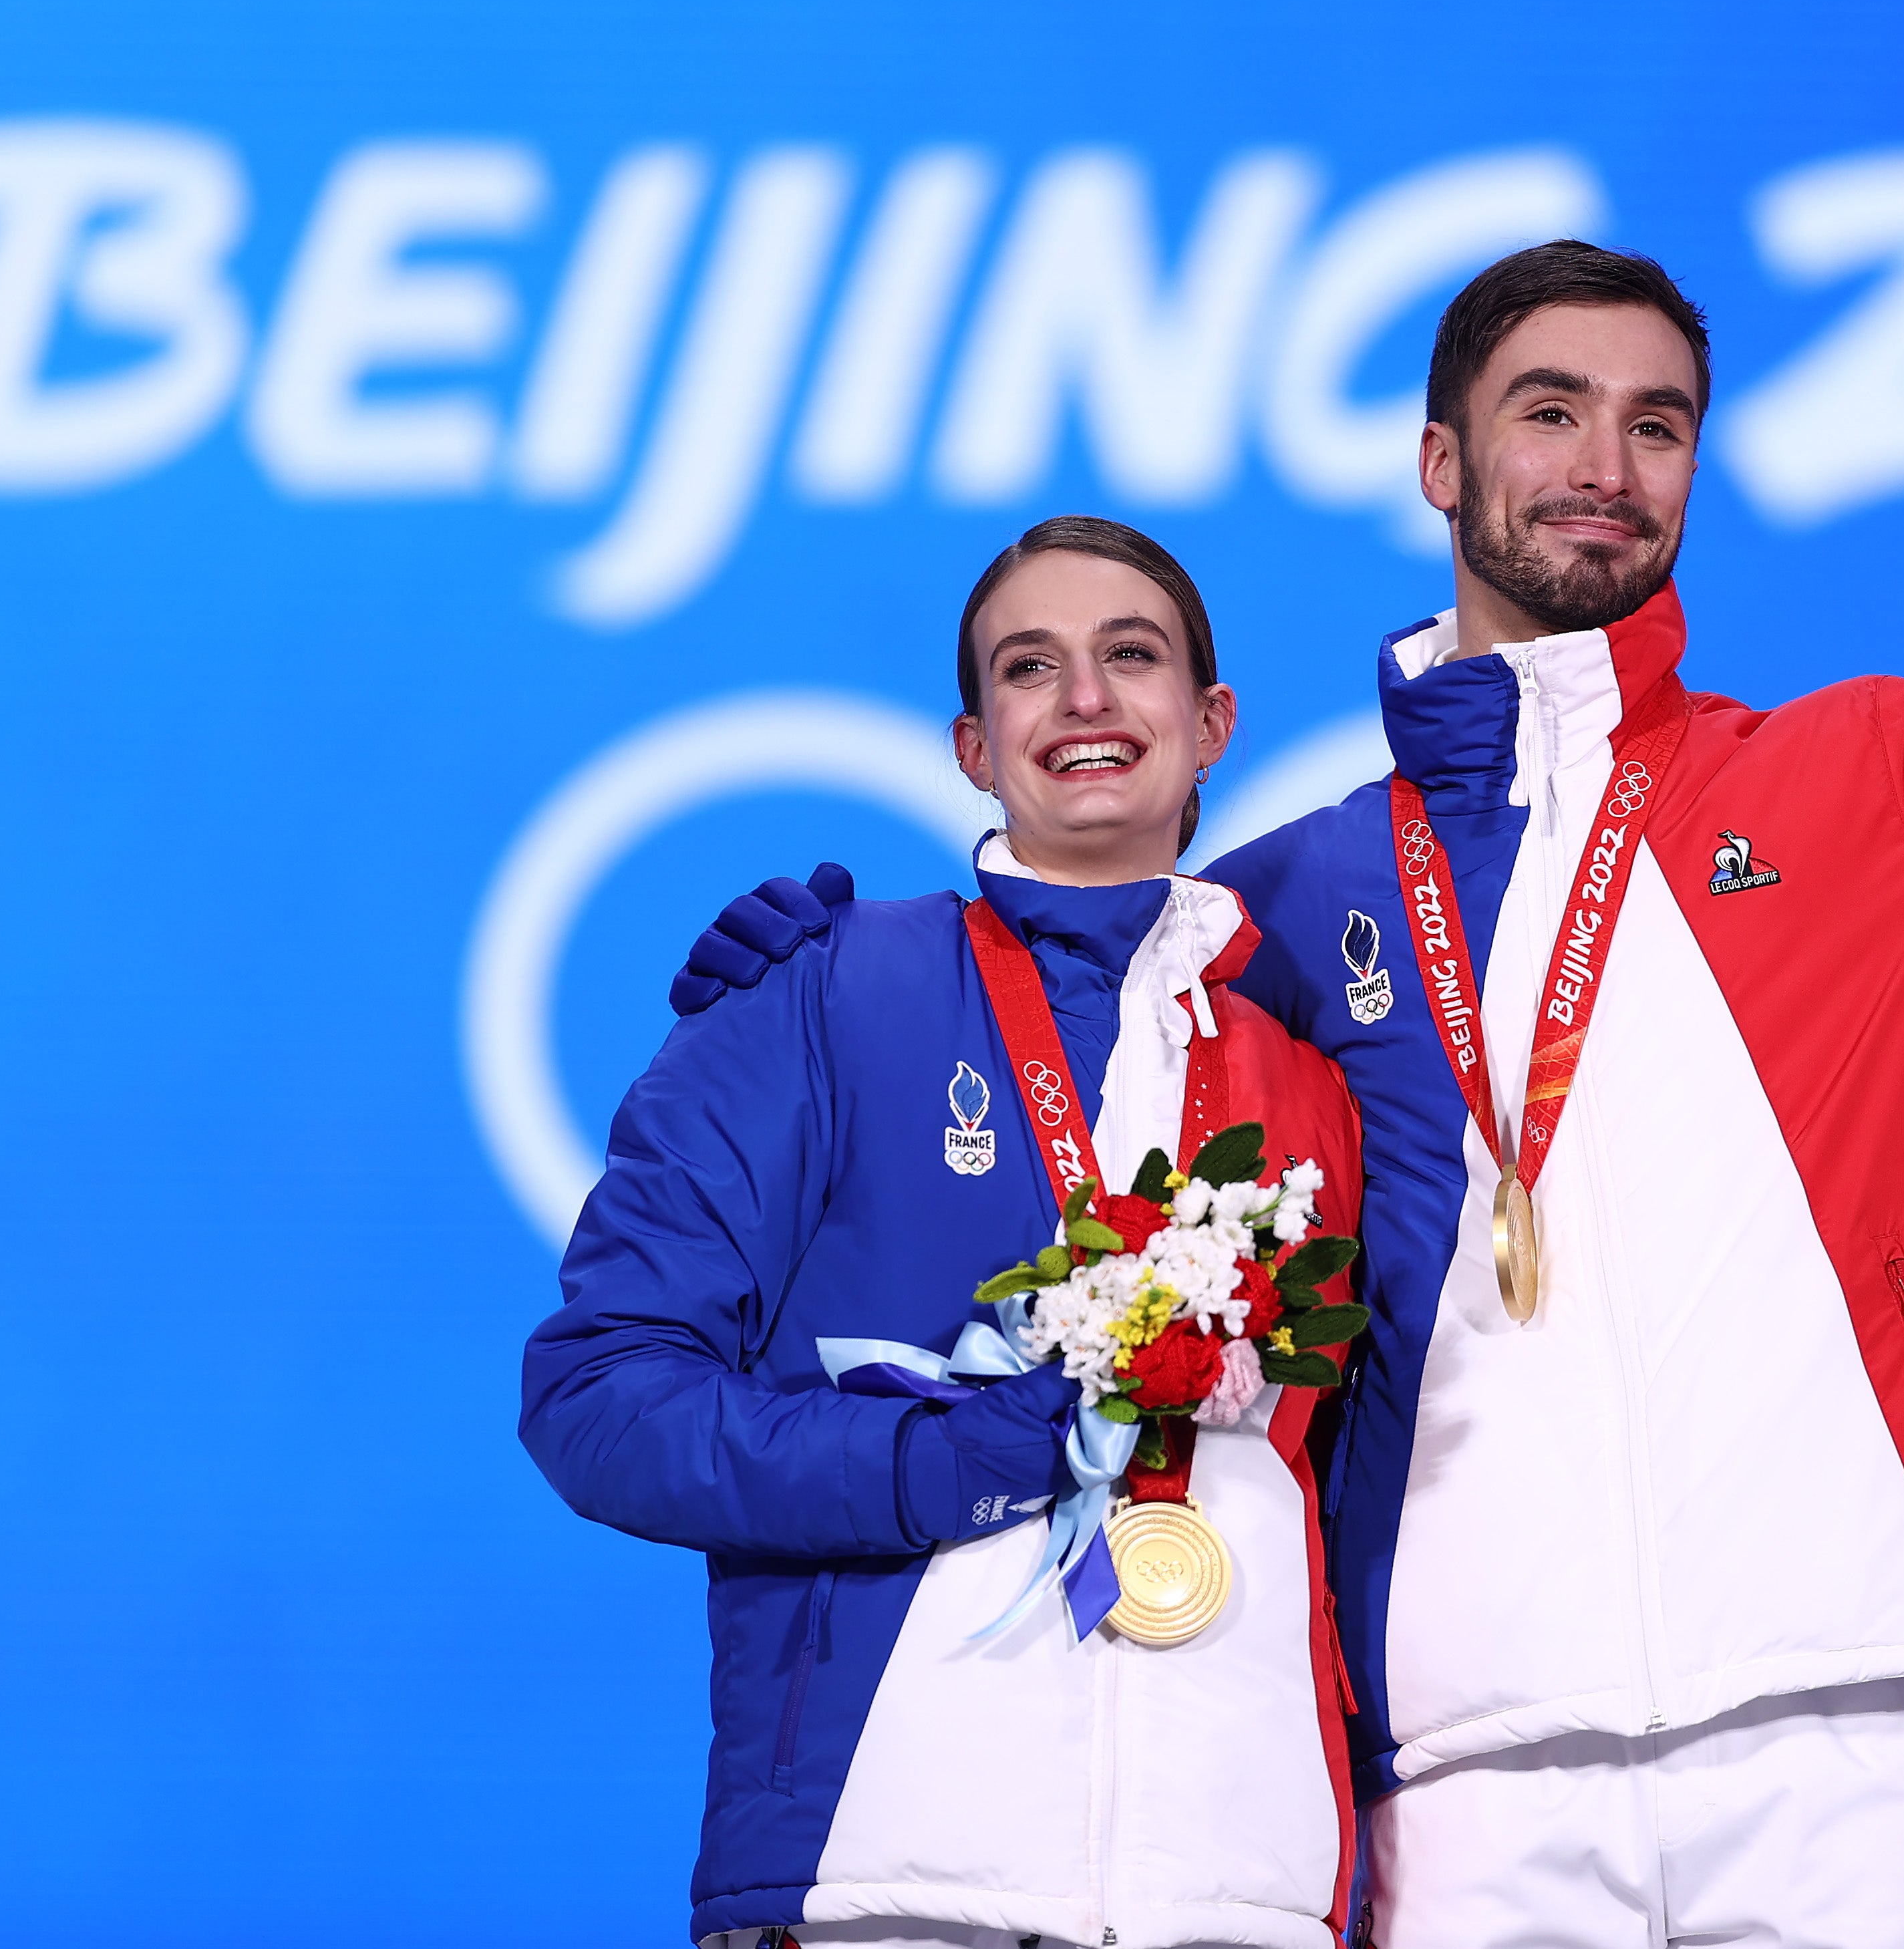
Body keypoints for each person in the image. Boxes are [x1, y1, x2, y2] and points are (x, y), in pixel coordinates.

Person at [677, 88, 1904, 1946]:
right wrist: (822, 985)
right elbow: (1044, 1088)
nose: (1606, 458)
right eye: (1551, 411)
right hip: (1459, 1762)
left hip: (1839, 1709)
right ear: (1442, 462)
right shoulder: (1293, 901)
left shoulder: (1886, 791)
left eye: (1658, 422)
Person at [524, 516, 1366, 1949]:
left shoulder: (1318, 1076)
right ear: (975, 745)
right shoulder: (824, 995)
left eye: (1132, 656)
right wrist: (933, 1465)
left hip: (1246, 1884)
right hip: (884, 1871)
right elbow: (598, 1397)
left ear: (1213, 721)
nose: (1087, 698)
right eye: (1032, 668)